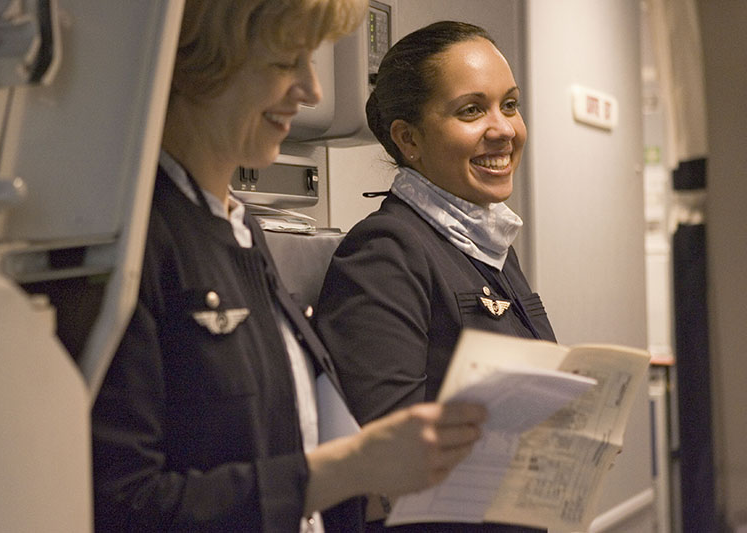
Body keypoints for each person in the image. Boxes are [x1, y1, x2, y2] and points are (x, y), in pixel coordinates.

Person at [91, 3, 488, 532]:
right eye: (285, 63)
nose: (312, 92)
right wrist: (351, 467)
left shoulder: (238, 227)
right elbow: (122, 503)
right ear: (199, 61)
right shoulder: (138, 243)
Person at [315, 21, 556, 532]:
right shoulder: (386, 253)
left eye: (509, 105)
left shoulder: (488, 247)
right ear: (409, 139)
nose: (504, 129)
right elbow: (389, 458)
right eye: (472, 110)